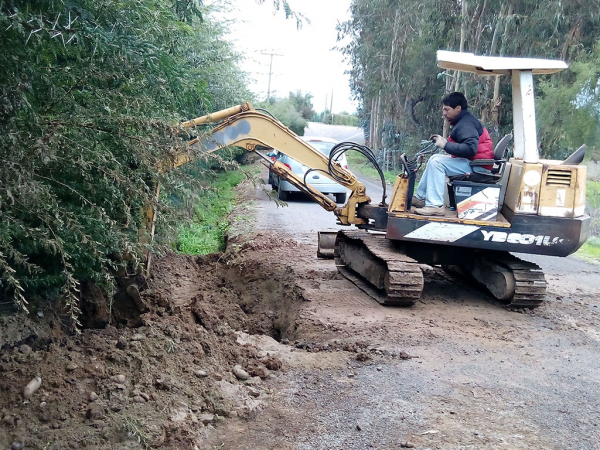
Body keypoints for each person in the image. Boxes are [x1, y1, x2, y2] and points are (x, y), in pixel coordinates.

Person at [412, 92, 493, 216]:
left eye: (447, 109)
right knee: (435, 158)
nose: (444, 113)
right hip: (473, 163)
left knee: (437, 163)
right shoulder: (464, 121)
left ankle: (435, 206)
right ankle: (421, 198)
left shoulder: (466, 125)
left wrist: (445, 145)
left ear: (458, 108)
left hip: (478, 167)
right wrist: (446, 142)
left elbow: (471, 149)